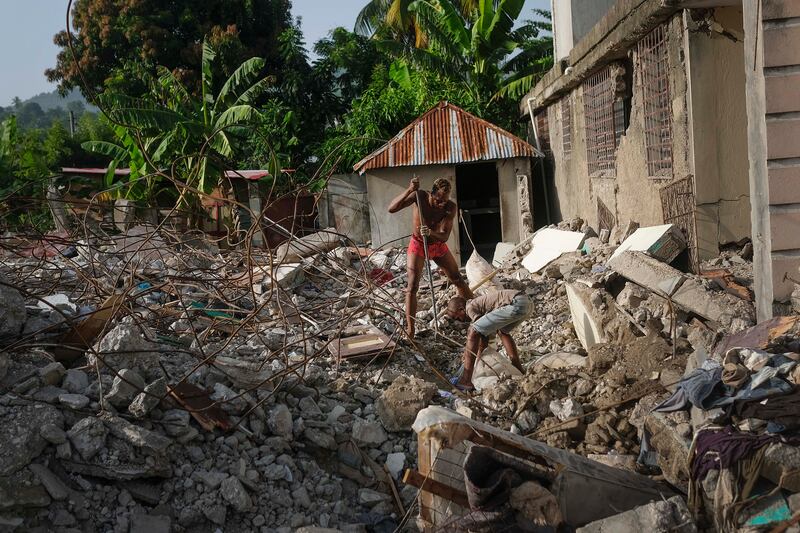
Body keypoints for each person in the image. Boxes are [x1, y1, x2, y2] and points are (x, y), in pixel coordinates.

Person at [388, 177, 473, 339]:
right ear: (431, 194)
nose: (441, 203)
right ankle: (411, 329)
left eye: (444, 200)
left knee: (457, 278)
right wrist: (409, 190)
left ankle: (475, 311)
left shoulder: (450, 207)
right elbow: (391, 209)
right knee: (412, 286)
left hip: (437, 245)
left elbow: (445, 235)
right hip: (418, 244)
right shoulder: (419, 196)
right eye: (438, 200)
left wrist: (431, 232)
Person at [446, 289, 531, 391]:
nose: (460, 321)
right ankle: (518, 368)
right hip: (526, 302)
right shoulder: (479, 305)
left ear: (461, 309)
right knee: (503, 332)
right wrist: (480, 352)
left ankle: (466, 380)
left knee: (472, 332)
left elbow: (478, 332)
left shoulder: (469, 307)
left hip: (515, 303)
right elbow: (484, 334)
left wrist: (473, 353)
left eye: (458, 318)